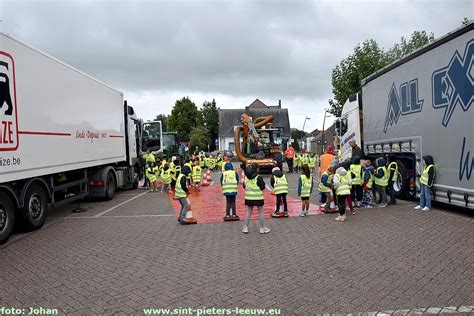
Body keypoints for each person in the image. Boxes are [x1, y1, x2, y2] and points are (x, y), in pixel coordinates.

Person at [242, 163, 270, 234]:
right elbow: (263, 187)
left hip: (249, 198)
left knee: (249, 212)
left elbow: (244, 186)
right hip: (258, 198)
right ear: (256, 169)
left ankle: (245, 227)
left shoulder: (246, 177)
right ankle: (262, 228)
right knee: (260, 212)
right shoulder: (258, 177)